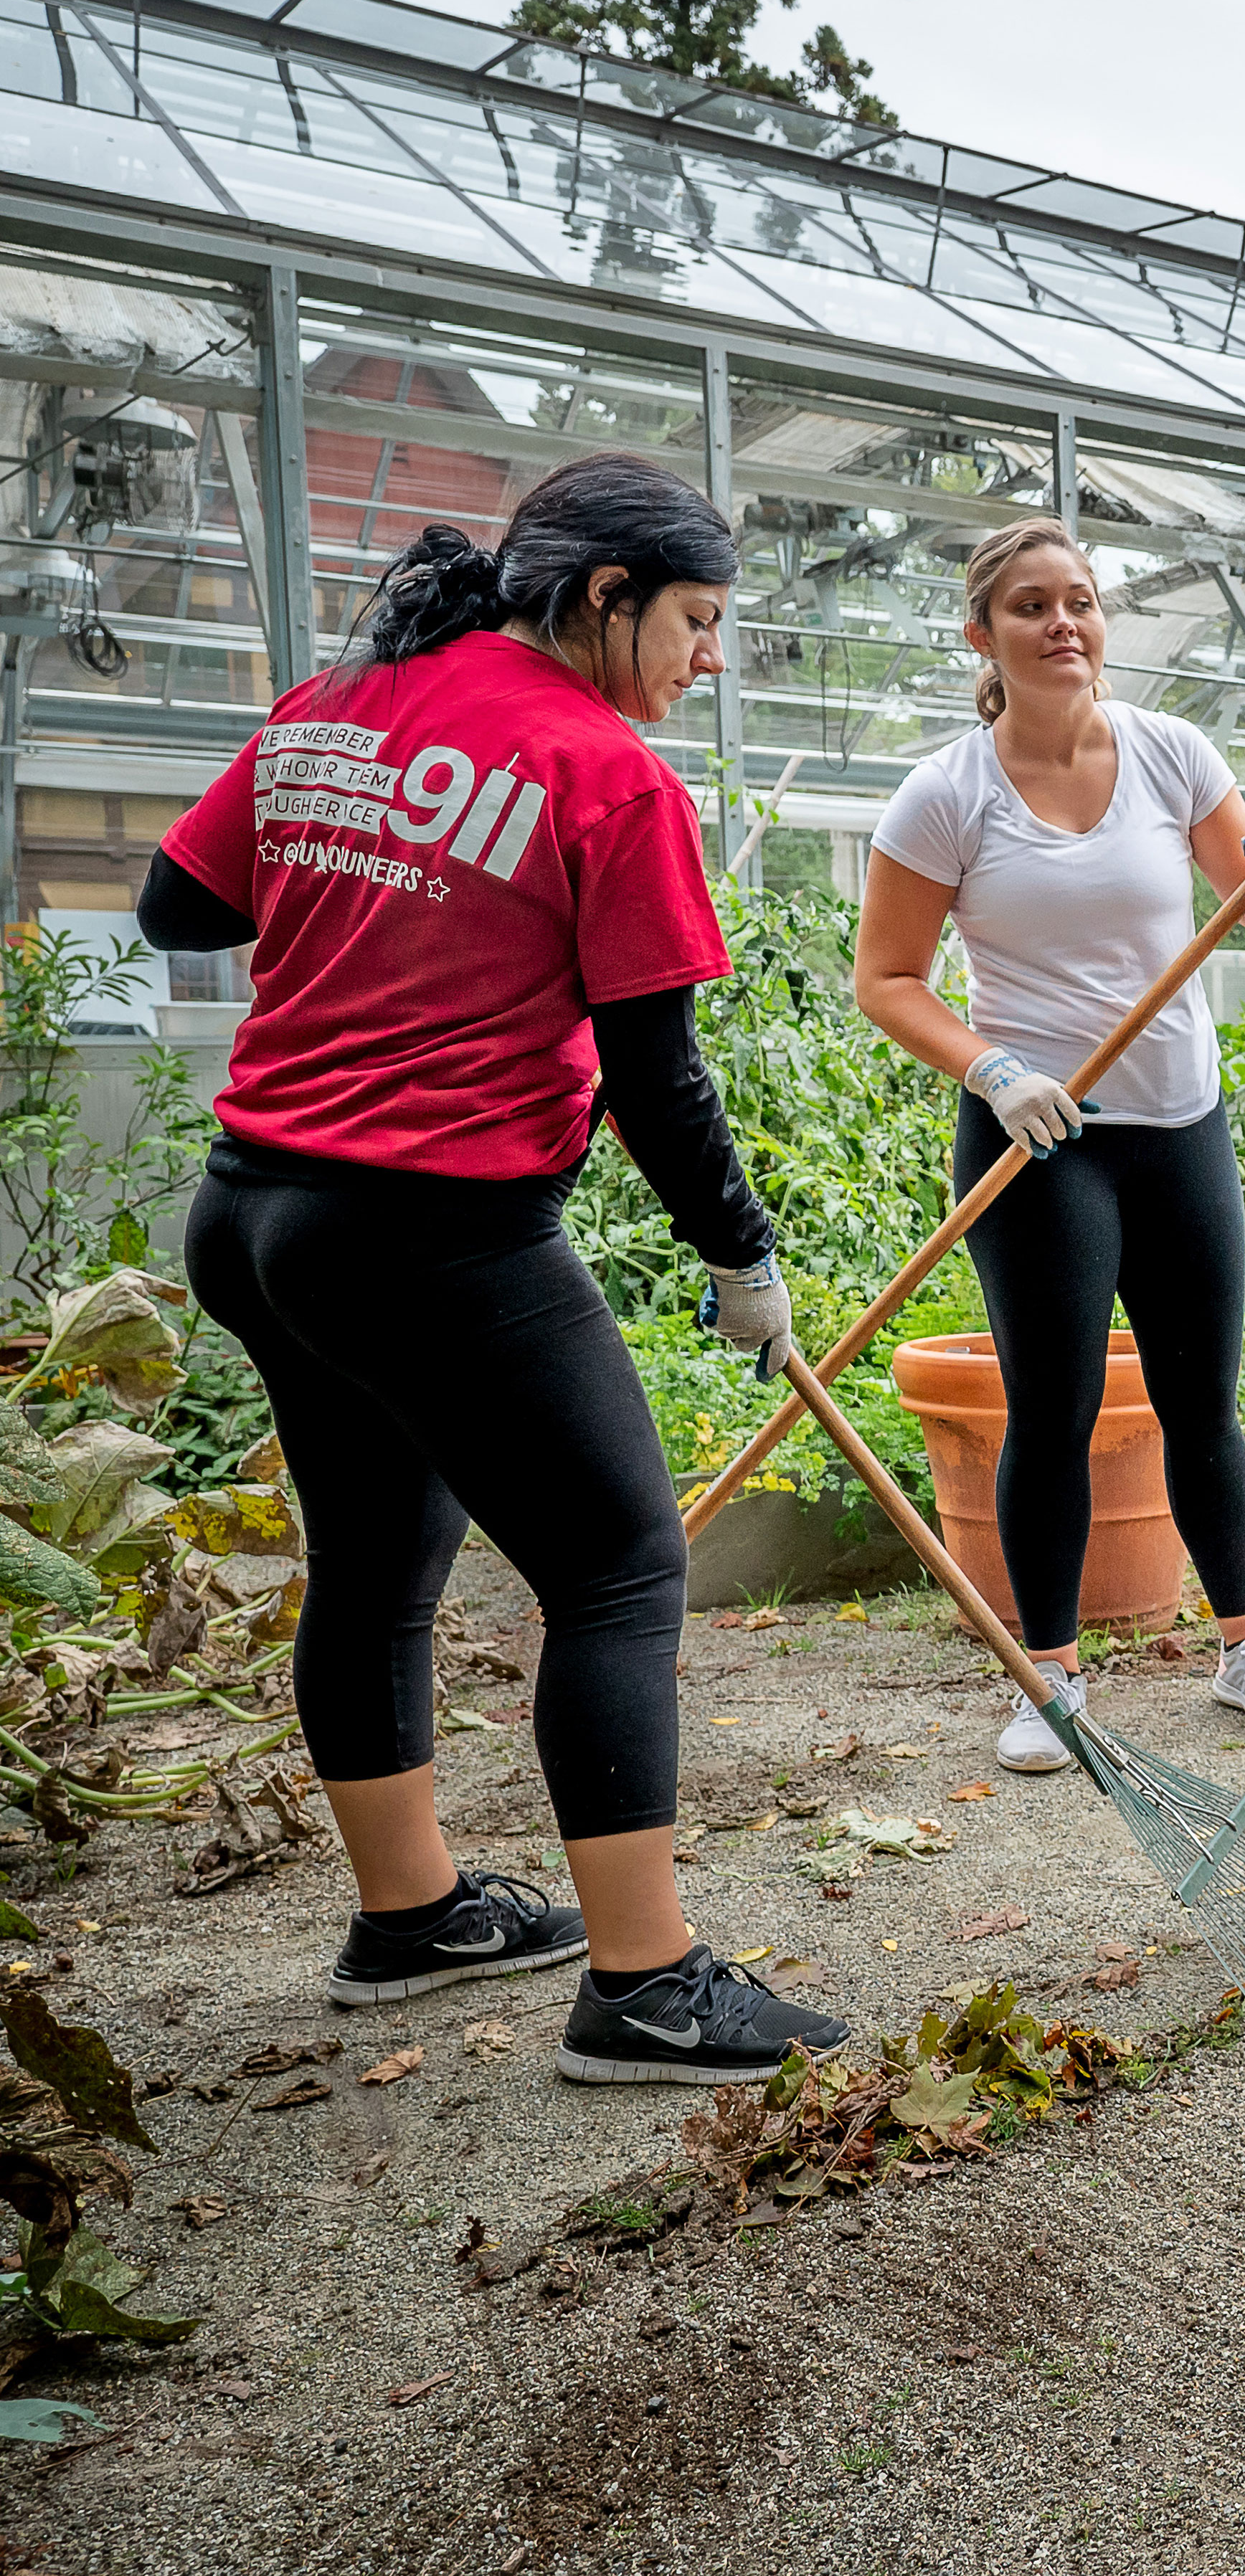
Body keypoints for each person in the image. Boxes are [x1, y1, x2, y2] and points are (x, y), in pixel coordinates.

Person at [140, 457, 854, 2085]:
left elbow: (177, 902)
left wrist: (368, 855)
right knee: (615, 1567)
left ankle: (416, 1917)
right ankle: (646, 1985)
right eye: (697, 619)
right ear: (607, 596)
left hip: (257, 1216)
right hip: (430, 1232)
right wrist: (742, 1259)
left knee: (381, 1562)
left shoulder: (344, 696)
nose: (709, 658)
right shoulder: (603, 771)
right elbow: (659, 1076)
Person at [853, 515, 1245, 1772]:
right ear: (983, 637)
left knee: (1198, 1403)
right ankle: (1048, 1677)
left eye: (1082, 601)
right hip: (1040, 1137)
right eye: (1031, 606)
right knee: (1051, 1411)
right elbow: (889, 978)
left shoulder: (1174, 755)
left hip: (1179, 1124)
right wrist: (994, 1068)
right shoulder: (948, 791)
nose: (1065, 622)